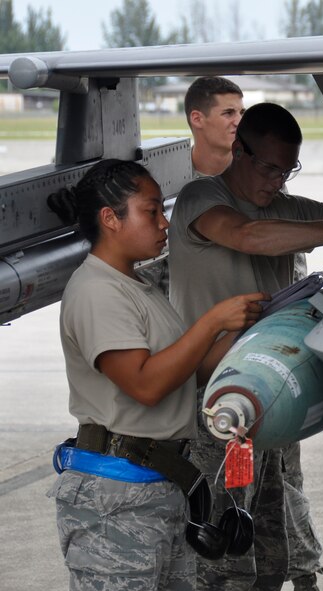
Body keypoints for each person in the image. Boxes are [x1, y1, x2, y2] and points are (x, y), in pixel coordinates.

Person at [45, 159, 266, 591]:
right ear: (110, 218)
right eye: (151, 212)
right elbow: (146, 385)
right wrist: (211, 322)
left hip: (160, 487)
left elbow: (185, 374)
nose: (165, 223)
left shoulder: (137, 286)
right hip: (115, 499)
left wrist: (242, 330)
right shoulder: (97, 291)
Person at [168, 102, 323, 591]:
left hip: (270, 387)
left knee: (277, 515)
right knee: (216, 532)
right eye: (269, 167)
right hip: (213, 395)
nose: (277, 181)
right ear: (238, 150)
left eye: (288, 170)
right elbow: (247, 236)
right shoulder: (201, 198)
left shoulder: (284, 207)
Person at [185, 76, 245, 177]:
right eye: (228, 113)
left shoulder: (260, 175)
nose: (240, 122)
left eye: (242, 113)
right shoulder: (166, 178)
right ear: (197, 119)